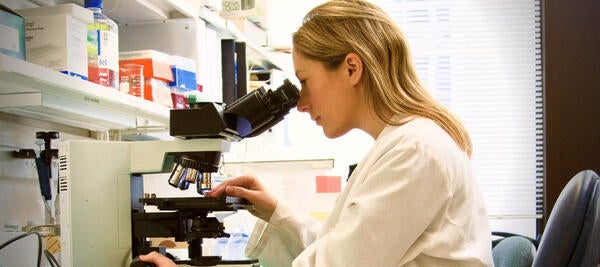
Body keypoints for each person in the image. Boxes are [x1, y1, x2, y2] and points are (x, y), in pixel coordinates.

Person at [141, 0, 493, 266]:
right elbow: (345, 248)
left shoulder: (415, 151)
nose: (301, 103)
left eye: (305, 81)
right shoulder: (407, 144)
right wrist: (278, 211)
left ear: (351, 68)